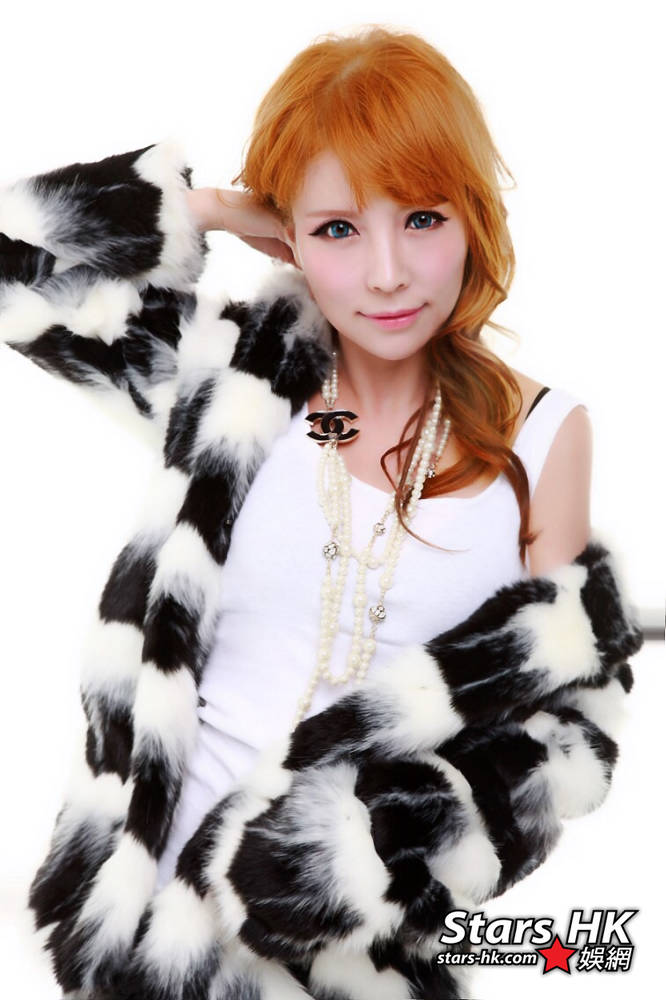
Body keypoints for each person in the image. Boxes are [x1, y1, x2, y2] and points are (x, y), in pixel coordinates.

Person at [0, 24, 642, 1000]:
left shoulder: (543, 436)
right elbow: (17, 265)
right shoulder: (235, 380)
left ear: (474, 216)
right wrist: (211, 209)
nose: (386, 272)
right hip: (133, 930)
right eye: (339, 228)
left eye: (421, 217)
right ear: (290, 235)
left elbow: (569, 736)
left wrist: (338, 862)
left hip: (349, 962)